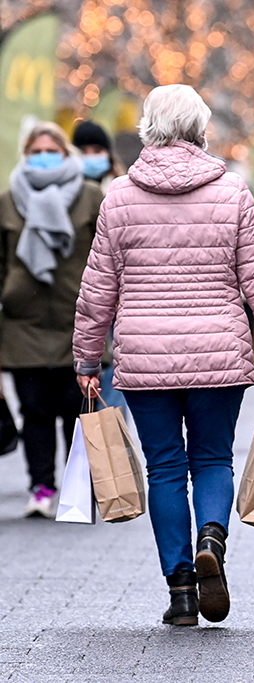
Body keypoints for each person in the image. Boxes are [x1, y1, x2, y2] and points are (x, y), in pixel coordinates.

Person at [73, 84, 254, 626]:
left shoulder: (119, 197)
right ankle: (212, 544)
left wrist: (85, 359)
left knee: (166, 468)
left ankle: (180, 593)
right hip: (219, 352)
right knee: (213, 458)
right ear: (200, 129)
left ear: (148, 128)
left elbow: (98, 288)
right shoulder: (233, 192)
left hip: (144, 357)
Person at [0, 122, 104, 518]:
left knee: (77, 410)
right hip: (22, 324)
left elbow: (107, 259)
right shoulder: (8, 202)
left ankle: (77, 490)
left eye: (52, 150)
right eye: (36, 151)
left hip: (78, 321)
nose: (43, 157)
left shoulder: (90, 197)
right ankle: (41, 486)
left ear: (65, 154)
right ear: (25, 156)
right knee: (35, 411)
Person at [72, 120, 129, 413]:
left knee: (114, 394)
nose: (90, 156)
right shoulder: (65, 195)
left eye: (97, 150)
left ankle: (113, 451)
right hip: (80, 298)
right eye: (83, 150)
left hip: (119, 303)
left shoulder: (123, 190)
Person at [72, 120, 126, 192]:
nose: (90, 157)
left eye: (97, 151)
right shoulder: (67, 189)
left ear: (108, 153)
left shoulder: (122, 188)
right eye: (83, 152)